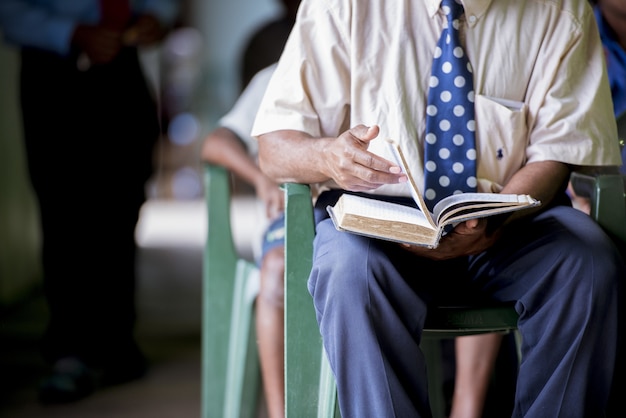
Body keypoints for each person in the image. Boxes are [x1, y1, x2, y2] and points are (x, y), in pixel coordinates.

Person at [251, 1, 626, 417]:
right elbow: (273, 149)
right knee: (350, 273)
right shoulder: (342, 6)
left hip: (510, 219)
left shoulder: (559, 8)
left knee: (588, 265)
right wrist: (327, 157)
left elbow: (555, 153)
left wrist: (496, 218)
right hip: (380, 224)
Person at [0, 0, 178, 404]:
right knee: (64, 218)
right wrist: (74, 33)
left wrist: (157, 20)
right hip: (55, 76)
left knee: (121, 211)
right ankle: (70, 353)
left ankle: (117, 339)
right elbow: (10, 10)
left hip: (122, 72)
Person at [453, 0, 626, 416]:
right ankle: (467, 402)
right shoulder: (572, 26)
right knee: (555, 245)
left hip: (578, 196)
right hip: (561, 196)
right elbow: (564, 151)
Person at [202, 64, 287, 418]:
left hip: (351, 214)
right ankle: (279, 411)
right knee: (278, 267)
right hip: (285, 220)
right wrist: (259, 178)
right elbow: (215, 143)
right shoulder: (275, 77)